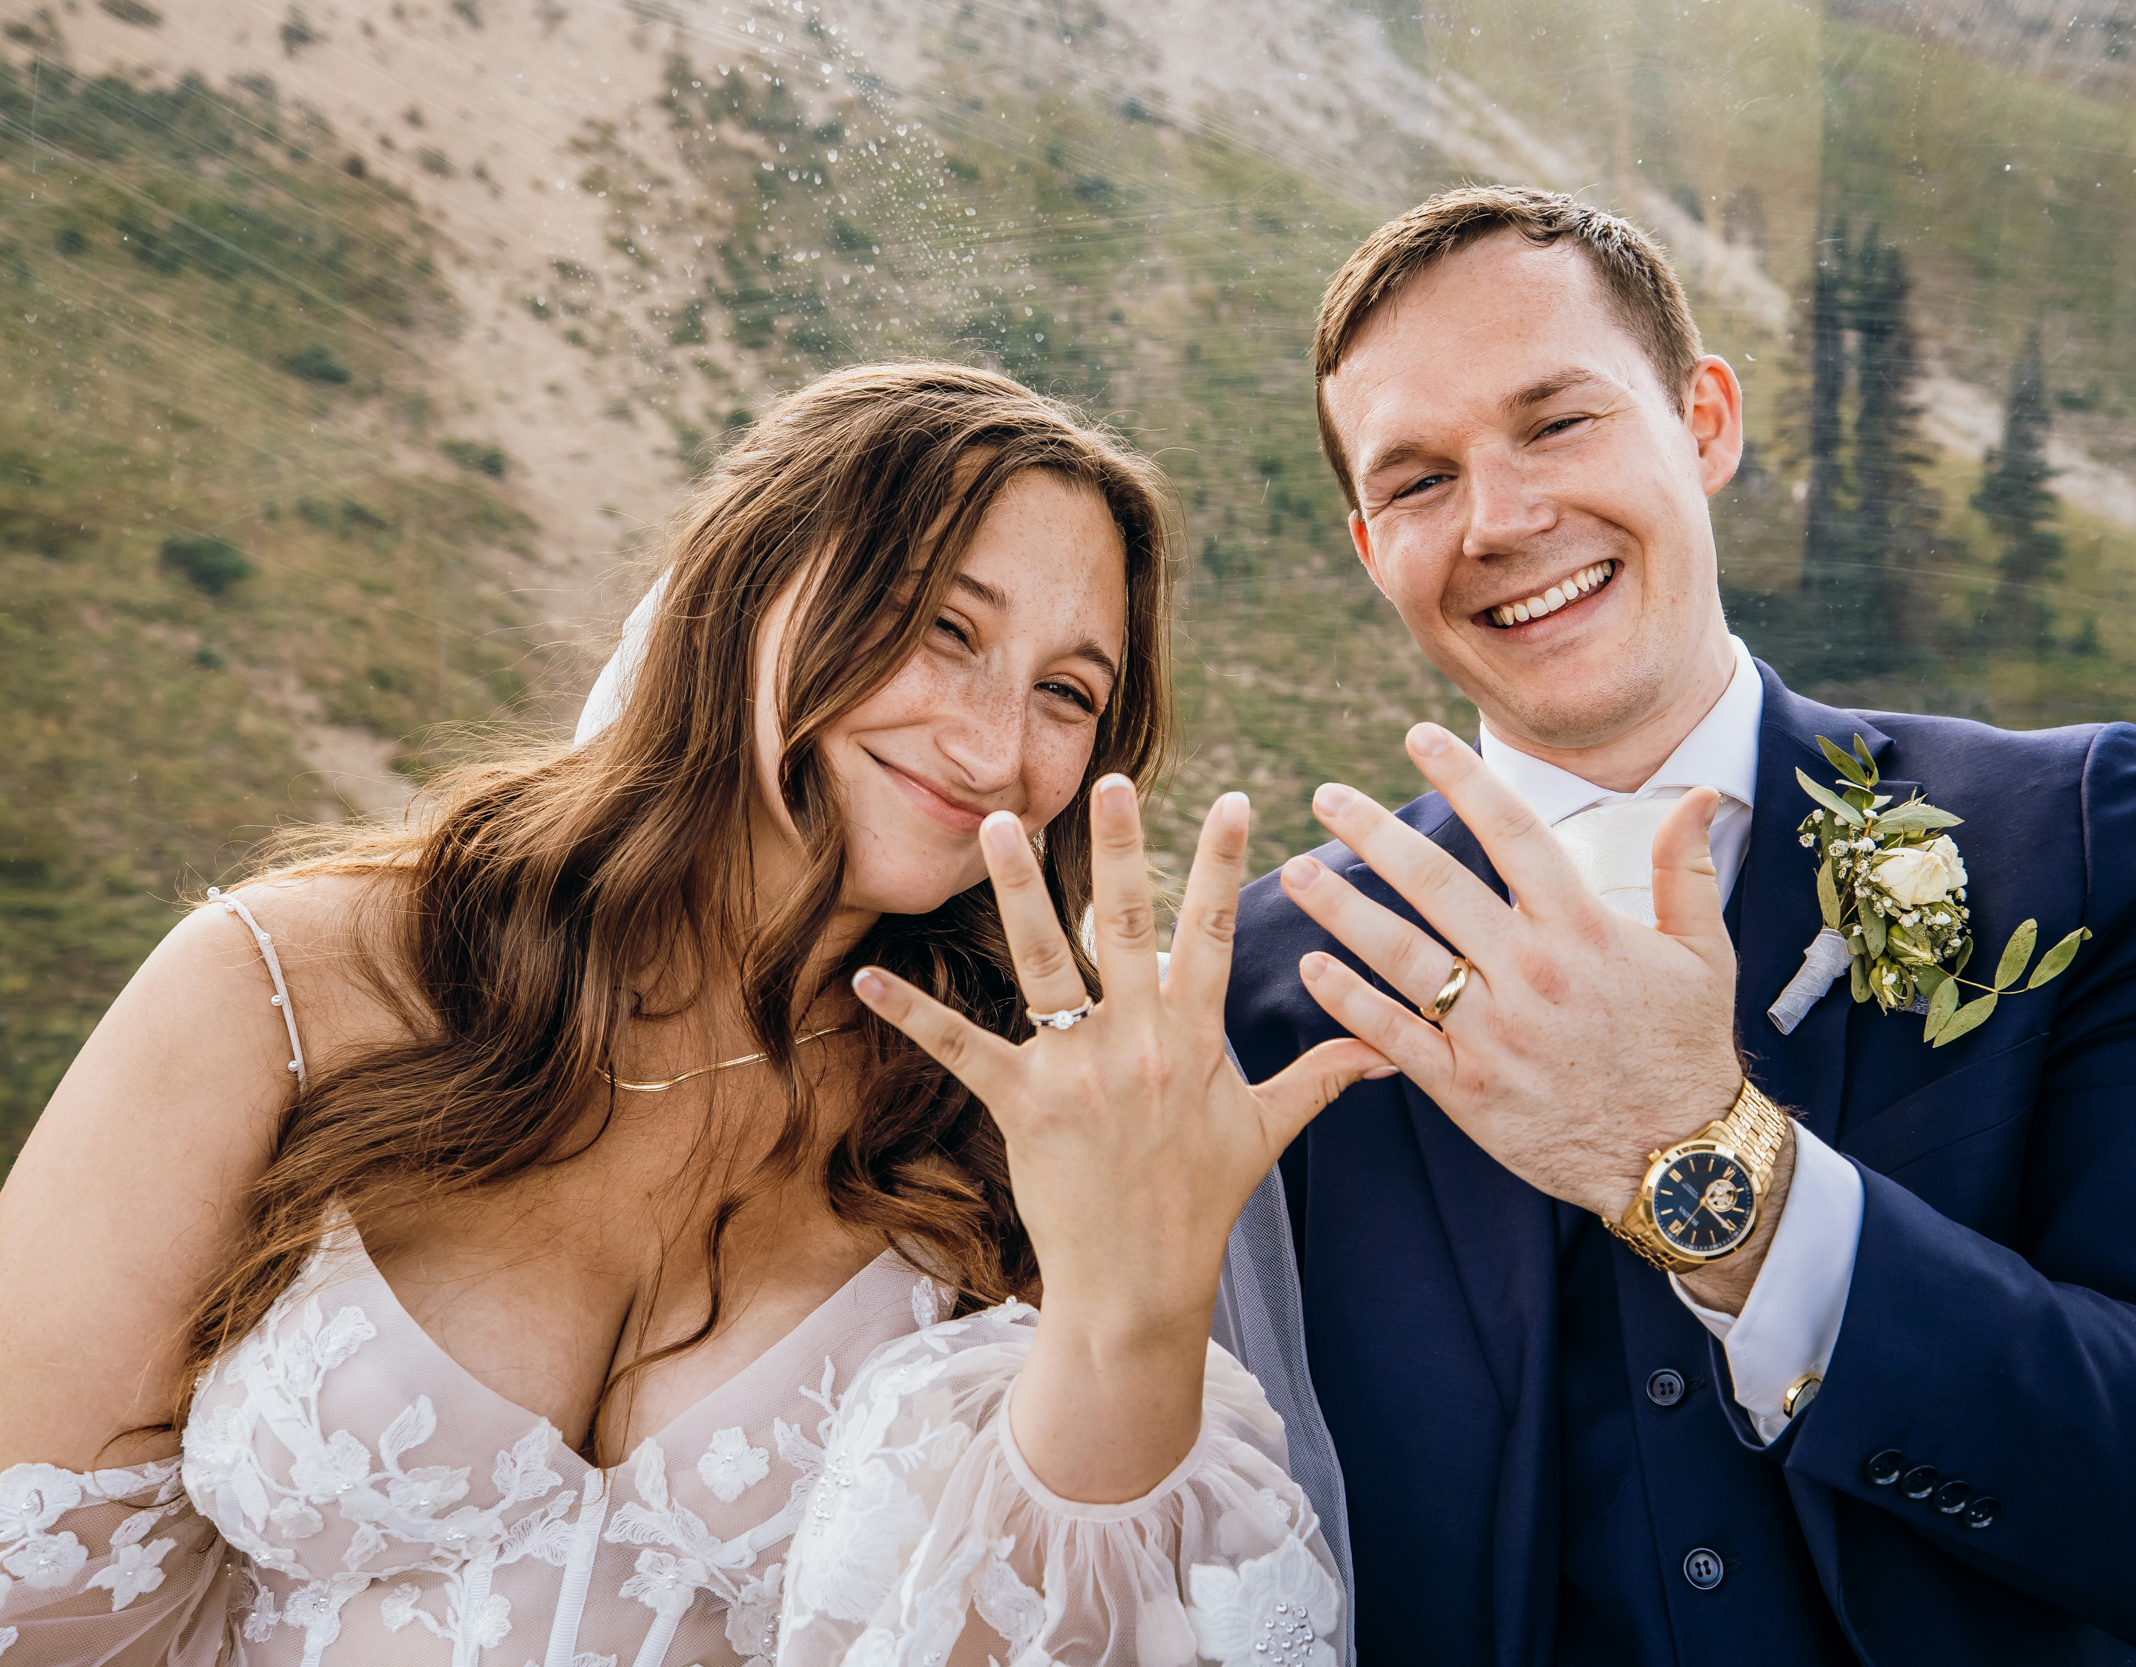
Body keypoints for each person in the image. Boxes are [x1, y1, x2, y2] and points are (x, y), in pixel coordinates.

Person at [0, 363, 1361, 1667]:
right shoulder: (280, 988)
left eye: (1070, 694)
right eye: (947, 628)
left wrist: (1127, 1314)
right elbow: (39, 1603)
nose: (999, 746)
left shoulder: (1021, 1123)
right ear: (742, 590)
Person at [1220, 187, 2136, 1664]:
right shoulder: (1272, 987)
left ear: (1705, 422)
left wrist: (1712, 1166)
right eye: (1419, 480)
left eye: (1558, 423)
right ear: (1372, 546)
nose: (1500, 519)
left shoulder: (2081, 840)